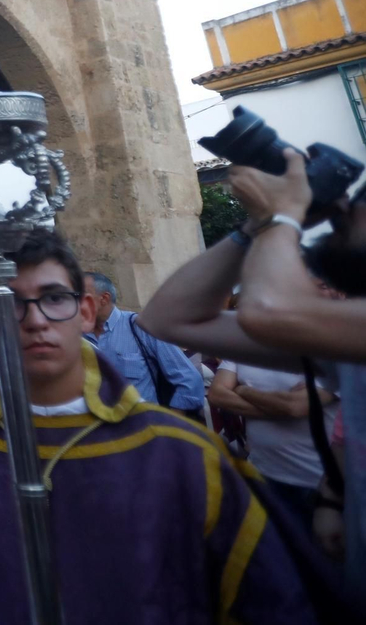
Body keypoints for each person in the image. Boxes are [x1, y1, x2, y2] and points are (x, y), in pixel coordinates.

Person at [0, 230, 321, 624]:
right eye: (9, 303)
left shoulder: (180, 448)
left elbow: (265, 596)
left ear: (86, 311)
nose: (36, 320)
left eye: (54, 297)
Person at [138, 150, 366, 598]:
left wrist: (282, 215)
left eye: (360, 201)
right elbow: (167, 318)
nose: (345, 205)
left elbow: (267, 312)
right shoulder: (348, 346)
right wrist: (252, 228)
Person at [210, 351, 340, 526]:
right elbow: (217, 394)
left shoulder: (331, 353)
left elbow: (294, 406)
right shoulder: (241, 349)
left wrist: (242, 389)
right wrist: (280, 409)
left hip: (316, 481)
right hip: (261, 474)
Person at [83, 270, 204, 415]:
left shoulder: (141, 327)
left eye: (79, 296)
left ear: (104, 298)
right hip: (96, 427)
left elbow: (189, 379)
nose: (72, 302)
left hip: (144, 424)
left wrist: (169, 422)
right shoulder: (76, 337)